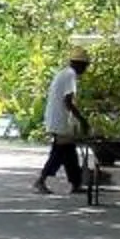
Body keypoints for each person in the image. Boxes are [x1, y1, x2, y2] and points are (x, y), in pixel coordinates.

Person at [36, 48, 88, 193]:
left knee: (68, 152)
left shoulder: (64, 73)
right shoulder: (70, 75)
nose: (85, 69)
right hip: (60, 120)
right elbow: (68, 101)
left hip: (56, 118)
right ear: (80, 64)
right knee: (59, 152)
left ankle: (76, 183)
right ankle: (41, 180)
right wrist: (82, 120)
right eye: (85, 66)